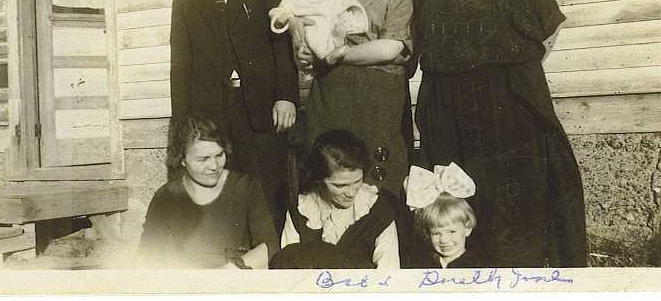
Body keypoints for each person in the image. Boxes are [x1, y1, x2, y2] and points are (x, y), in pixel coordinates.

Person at [412, 0, 587, 267]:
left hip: (508, 101)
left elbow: (550, 24)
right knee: (458, 204)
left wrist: (517, 73)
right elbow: (422, 36)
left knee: (514, 201)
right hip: (447, 103)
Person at [170, 0, 299, 231]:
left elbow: (281, 48)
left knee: (268, 191)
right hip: (211, 115)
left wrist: (286, 97)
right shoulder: (184, 0)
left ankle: (269, 261)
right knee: (219, 194)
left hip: (260, 112)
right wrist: (184, 126)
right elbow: (180, 66)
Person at [295, 0, 413, 196]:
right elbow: (319, 19)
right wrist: (307, 49)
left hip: (375, 100)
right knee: (328, 169)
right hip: (331, 98)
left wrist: (338, 55)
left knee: (372, 175)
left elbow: (390, 48)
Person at [137, 115, 280, 269]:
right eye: (203, 159)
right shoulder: (166, 197)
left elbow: (270, 246)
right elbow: (146, 255)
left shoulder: (246, 187)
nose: (214, 166)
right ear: (182, 159)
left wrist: (231, 270)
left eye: (219, 155)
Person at [270, 129, 402, 269]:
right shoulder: (301, 211)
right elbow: (287, 266)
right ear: (319, 180)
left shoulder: (378, 212)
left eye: (357, 182)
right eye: (341, 186)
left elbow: (389, 274)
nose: (351, 193)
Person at [403, 163, 487, 268]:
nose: (444, 240)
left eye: (452, 231)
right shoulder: (424, 265)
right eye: (436, 233)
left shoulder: (480, 266)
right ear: (428, 234)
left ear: (468, 228)